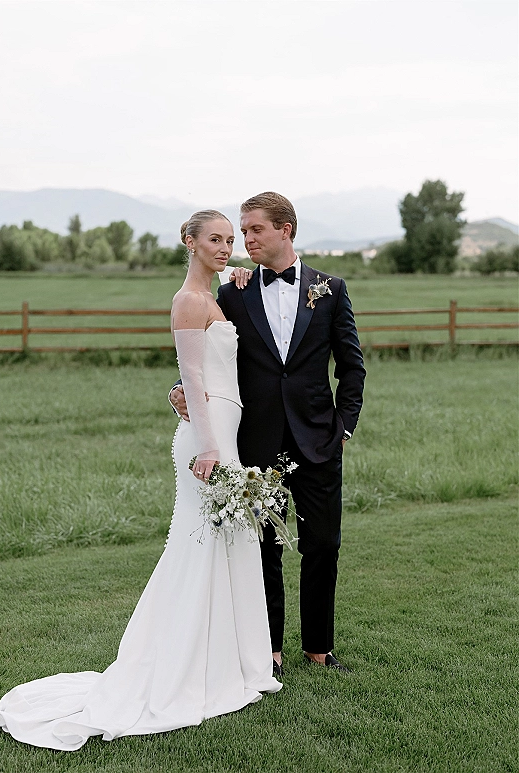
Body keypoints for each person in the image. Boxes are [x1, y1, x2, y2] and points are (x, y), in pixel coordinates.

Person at [0, 210, 281, 751]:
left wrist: (240, 275)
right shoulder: (188, 301)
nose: (225, 247)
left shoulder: (217, 294)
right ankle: (181, 670)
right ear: (189, 243)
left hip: (226, 431)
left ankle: (225, 664)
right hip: (208, 439)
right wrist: (209, 445)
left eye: (228, 240)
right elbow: (192, 375)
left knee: (226, 544)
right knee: (196, 548)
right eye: (214, 240)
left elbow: (215, 358)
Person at [171, 192, 366, 675]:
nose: (246, 241)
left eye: (255, 230)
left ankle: (319, 647)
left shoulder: (331, 289)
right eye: (241, 231)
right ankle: (269, 650)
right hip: (256, 443)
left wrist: (343, 427)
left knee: (323, 544)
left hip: (319, 439)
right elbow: (207, 357)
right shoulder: (233, 292)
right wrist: (178, 388)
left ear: (286, 230)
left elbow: (352, 367)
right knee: (263, 548)